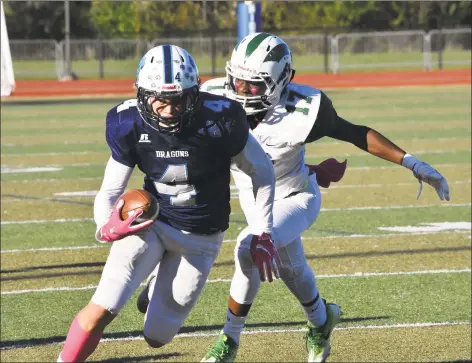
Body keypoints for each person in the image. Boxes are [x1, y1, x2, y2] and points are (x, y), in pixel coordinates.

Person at [137, 34, 450, 363]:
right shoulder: (210, 98)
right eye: (237, 82)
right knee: (292, 269)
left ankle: (228, 340)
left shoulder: (304, 111)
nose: (240, 92)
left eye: (252, 86)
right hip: (255, 199)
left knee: (249, 249)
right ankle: (321, 320)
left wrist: (412, 162)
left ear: (280, 83)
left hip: (296, 196)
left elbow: (356, 133)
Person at [56, 44, 282, 363]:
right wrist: (106, 226)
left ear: (194, 94)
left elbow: (262, 171)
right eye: (159, 98)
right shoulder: (128, 123)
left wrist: (263, 231)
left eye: (178, 99)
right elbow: (110, 191)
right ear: (142, 95)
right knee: (102, 308)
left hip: (201, 239)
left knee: (157, 338)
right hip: (152, 223)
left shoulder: (222, 119)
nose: (168, 109)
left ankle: (152, 290)